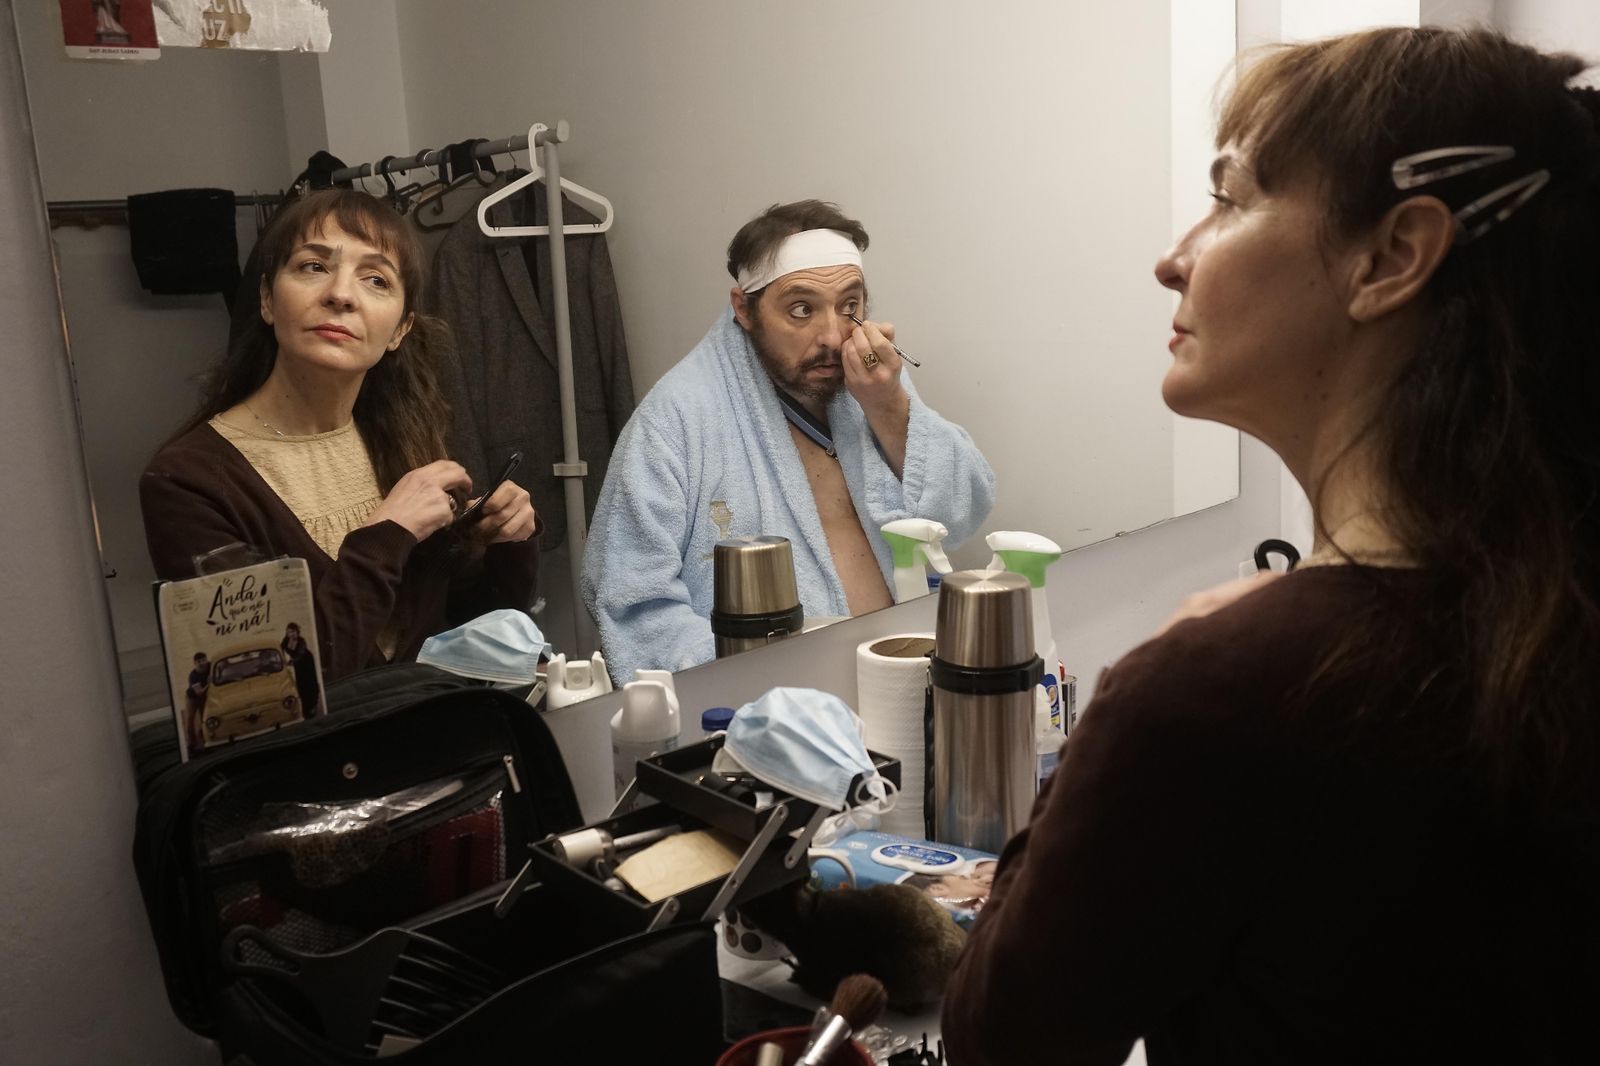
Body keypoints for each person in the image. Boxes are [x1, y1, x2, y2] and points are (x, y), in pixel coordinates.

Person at [944, 27, 1600, 1065]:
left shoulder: (1225, 692)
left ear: (1390, 257)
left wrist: (1138, 703)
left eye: (1231, 196)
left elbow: (998, 1043)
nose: (1173, 258)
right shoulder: (1555, 613)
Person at [582, 200, 994, 680]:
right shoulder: (675, 423)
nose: (832, 335)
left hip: (903, 675)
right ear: (745, 309)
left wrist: (889, 406)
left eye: (850, 307)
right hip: (769, 711)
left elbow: (961, 512)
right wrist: (762, 693)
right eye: (801, 310)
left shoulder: (870, 385)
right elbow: (631, 604)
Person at [142, 190, 540, 684]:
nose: (341, 295)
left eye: (375, 279)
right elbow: (273, 684)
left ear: (399, 329)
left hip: (437, 739)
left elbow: (462, 631)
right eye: (313, 267)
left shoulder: (408, 442)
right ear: (267, 299)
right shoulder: (187, 479)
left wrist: (506, 542)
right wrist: (388, 536)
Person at [279, 621, 320, 718]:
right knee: (301, 685)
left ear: (297, 631)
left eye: (293, 631)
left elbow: (301, 654)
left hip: (306, 662)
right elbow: (280, 649)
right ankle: (306, 709)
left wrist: (291, 661)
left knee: (309, 683)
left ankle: (312, 706)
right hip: (298, 665)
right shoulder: (286, 640)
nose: (291, 634)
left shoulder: (302, 641)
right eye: (289, 632)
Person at [183, 650, 209, 752]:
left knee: (205, 717)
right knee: (190, 718)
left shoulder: (211, 666)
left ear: (206, 660)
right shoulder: (193, 676)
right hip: (192, 697)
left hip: (205, 696)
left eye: (203, 660)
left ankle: (204, 740)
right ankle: (191, 744)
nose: (202, 663)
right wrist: (209, 683)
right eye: (199, 662)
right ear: (195, 664)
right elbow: (199, 692)